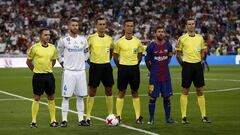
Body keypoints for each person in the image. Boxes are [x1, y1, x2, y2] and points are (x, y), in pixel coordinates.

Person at [176, 17, 211, 124]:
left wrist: (201, 60)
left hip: (197, 66)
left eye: (193, 24)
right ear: (186, 26)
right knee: (185, 90)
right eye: (189, 24)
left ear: (195, 25)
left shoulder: (200, 38)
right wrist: (184, 65)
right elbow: (177, 55)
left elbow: (204, 51)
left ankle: (204, 116)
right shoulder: (182, 38)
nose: (191, 26)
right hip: (187, 65)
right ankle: (183, 117)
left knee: (200, 90)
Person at [57, 18, 90, 127]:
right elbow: (58, 53)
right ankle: (64, 120)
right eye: (73, 25)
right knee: (66, 97)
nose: (75, 27)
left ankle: (81, 120)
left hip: (80, 72)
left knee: (80, 97)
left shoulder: (83, 40)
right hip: (69, 72)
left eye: (77, 25)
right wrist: (62, 63)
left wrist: (83, 61)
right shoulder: (64, 40)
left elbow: (86, 53)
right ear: (69, 26)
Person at [26, 28, 58, 128]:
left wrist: (48, 68)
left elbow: (53, 60)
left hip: (49, 75)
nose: (47, 36)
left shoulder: (53, 47)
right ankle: (33, 121)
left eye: (48, 35)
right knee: (37, 98)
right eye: (45, 35)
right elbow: (28, 61)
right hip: (38, 76)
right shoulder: (34, 47)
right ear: (41, 36)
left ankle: (53, 120)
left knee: (51, 97)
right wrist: (35, 70)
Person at [113, 18, 143, 124]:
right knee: (121, 91)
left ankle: (138, 117)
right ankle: (118, 116)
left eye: (131, 26)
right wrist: (120, 66)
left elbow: (140, 54)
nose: (130, 27)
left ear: (133, 27)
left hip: (134, 69)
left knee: (135, 91)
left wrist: (136, 63)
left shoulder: (137, 41)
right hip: (123, 69)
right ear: (124, 27)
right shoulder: (119, 42)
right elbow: (115, 56)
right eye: (128, 25)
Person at [145, 26, 177, 124]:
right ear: (155, 33)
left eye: (162, 32)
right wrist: (152, 70)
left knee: (167, 97)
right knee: (152, 97)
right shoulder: (151, 46)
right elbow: (146, 61)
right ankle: (151, 119)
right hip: (154, 77)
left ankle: (168, 119)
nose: (161, 33)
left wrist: (164, 65)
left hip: (166, 76)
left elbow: (169, 57)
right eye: (159, 32)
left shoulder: (168, 45)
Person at [86, 16, 114, 124]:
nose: (102, 26)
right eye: (100, 24)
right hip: (95, 66)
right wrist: (91, 63)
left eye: (104, 24)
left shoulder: (109, 39)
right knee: (92, 91)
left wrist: (107, 60)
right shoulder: (91, 38)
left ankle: (110, 114)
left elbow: (111, 50)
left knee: (109, 90)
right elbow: (85, 52)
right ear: (96, 26)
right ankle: (88, 116)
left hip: (106, 67)